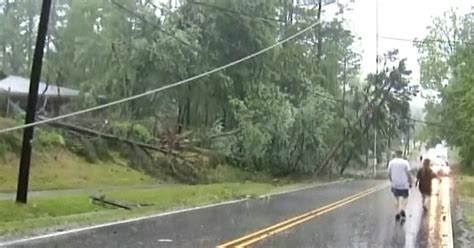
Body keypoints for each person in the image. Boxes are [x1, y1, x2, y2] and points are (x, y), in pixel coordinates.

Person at [388, 150, 412, 221]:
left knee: (396, 198)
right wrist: (410, 181)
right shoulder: (405, 163)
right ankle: (402, 209)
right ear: (401, 155)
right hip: (404, 183)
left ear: (395, 154)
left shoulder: (391, 163)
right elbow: (408, 173)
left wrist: (391, 180)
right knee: (406, 197)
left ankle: (397, 212)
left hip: (395, 183)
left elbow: (389, 173)